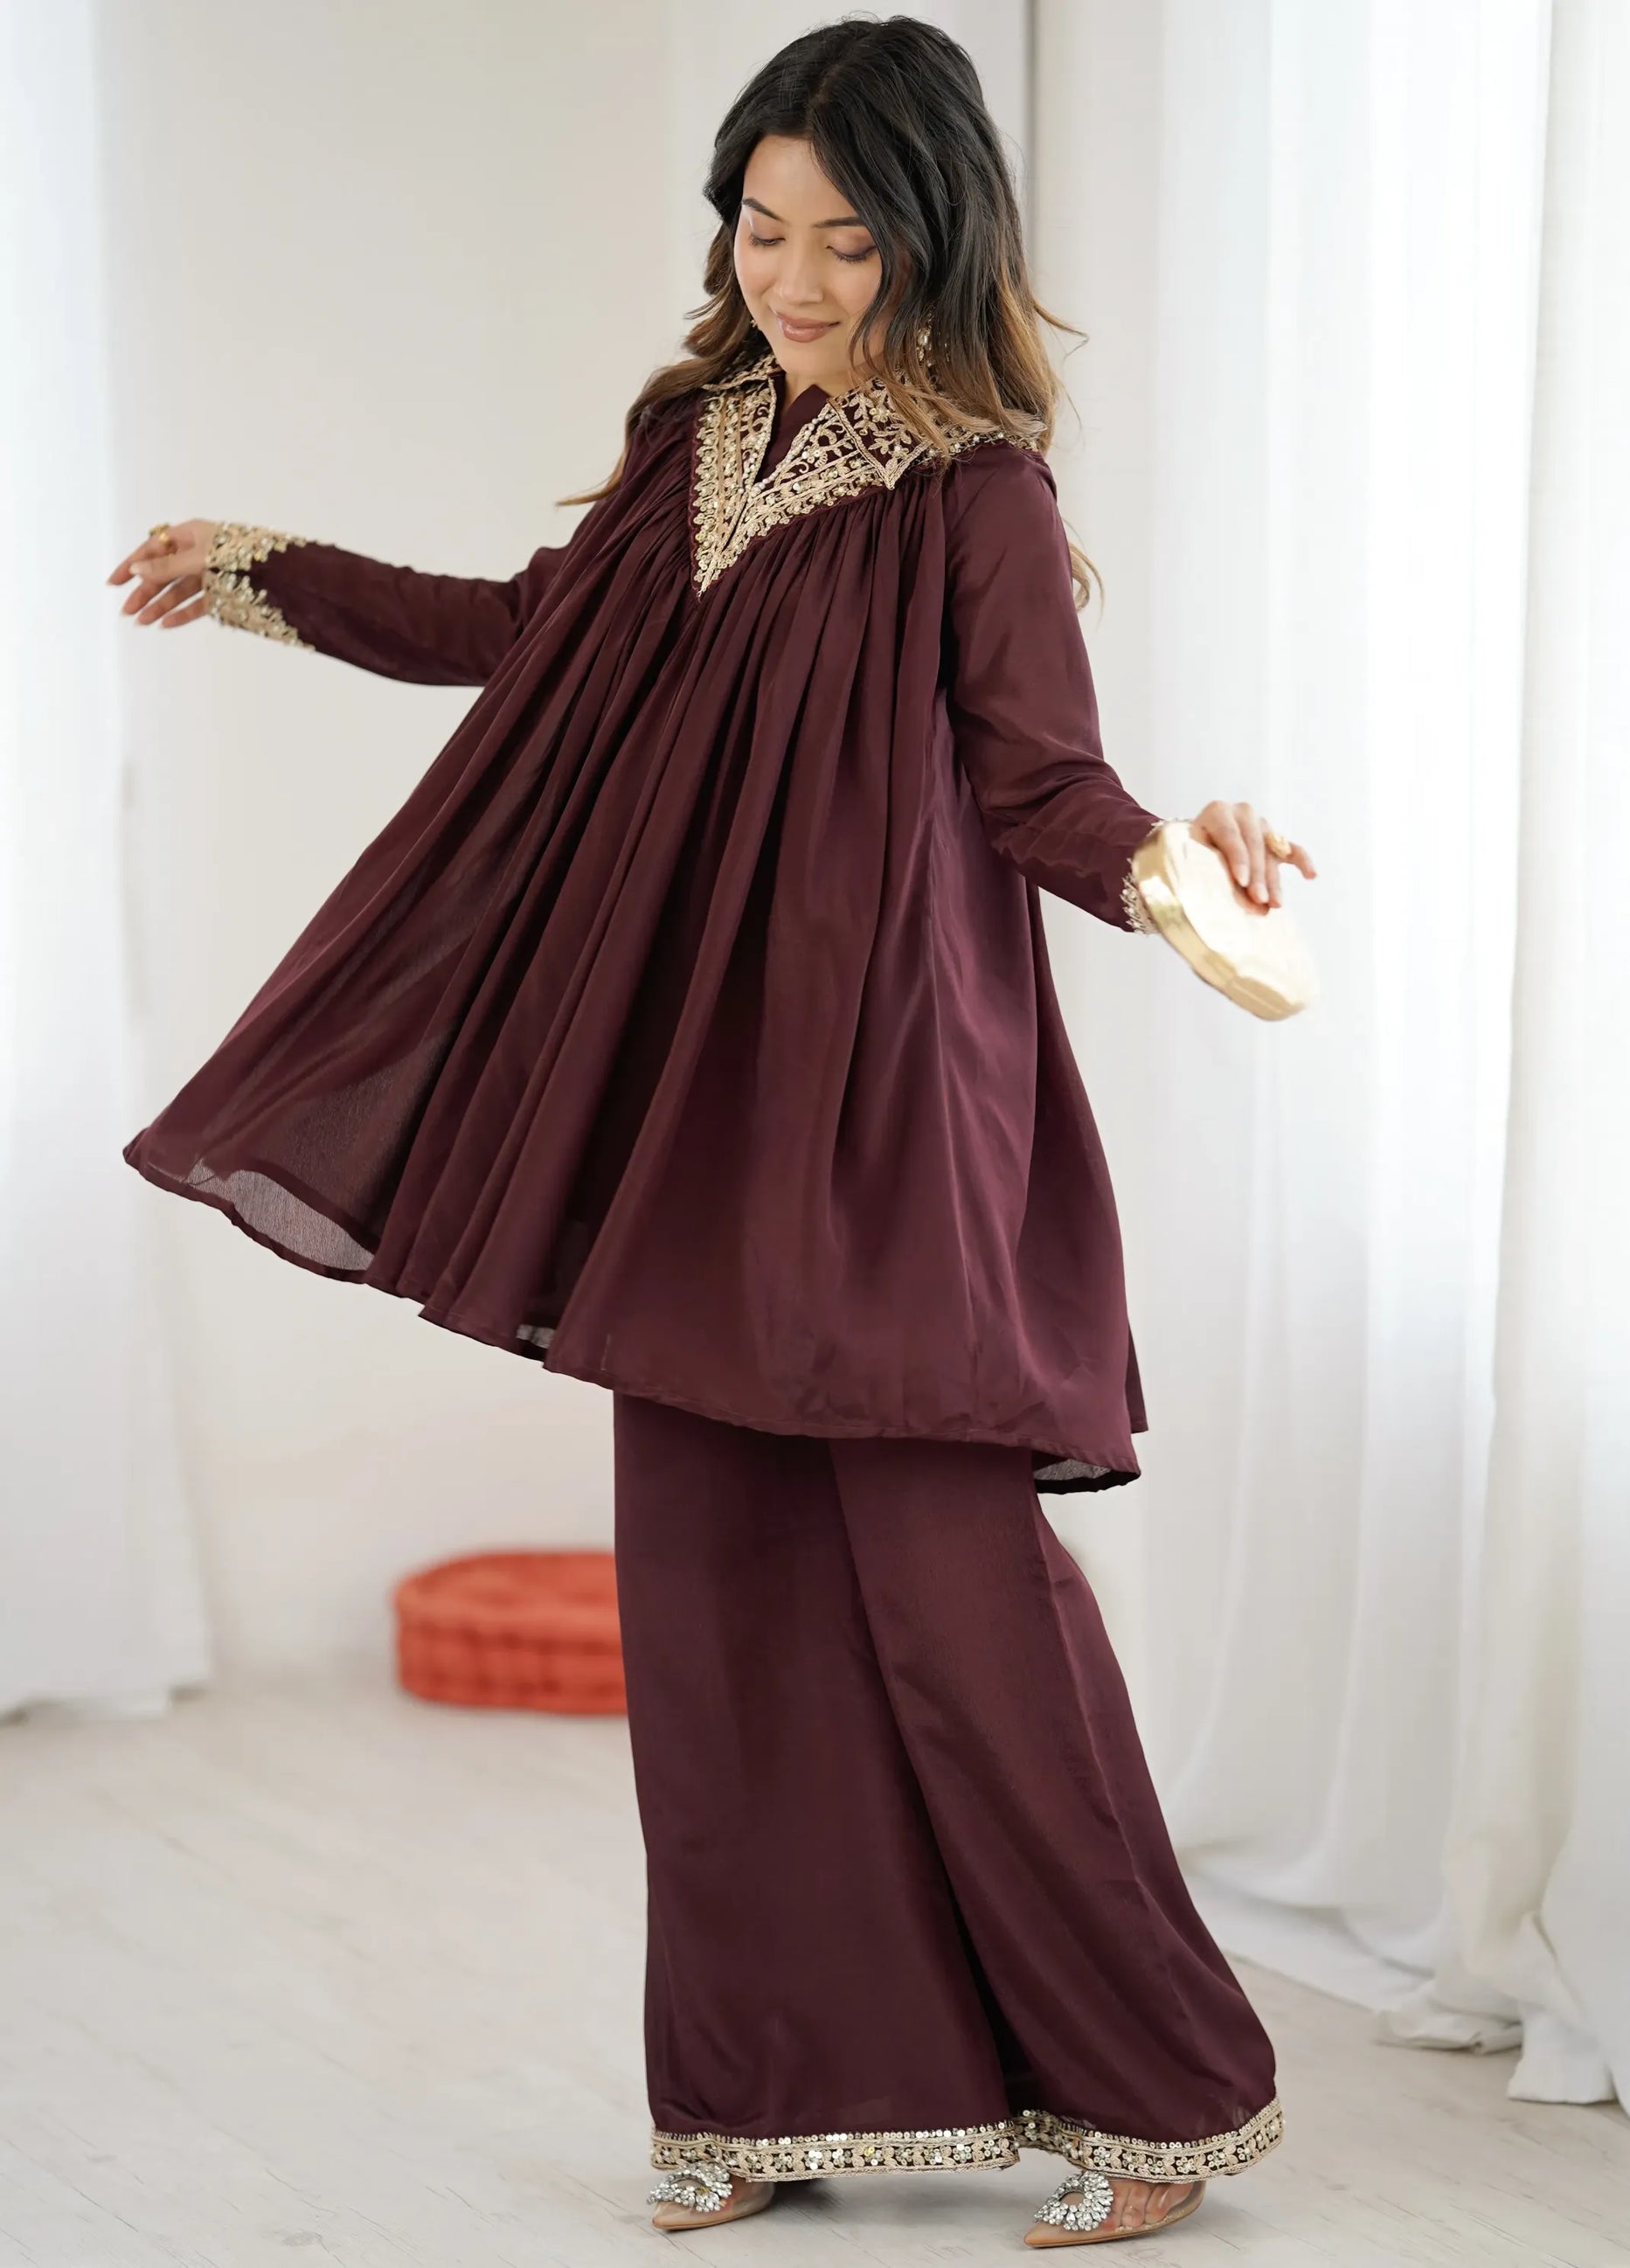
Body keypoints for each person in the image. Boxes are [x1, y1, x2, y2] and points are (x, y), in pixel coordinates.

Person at [110, 16, 1314, 2249]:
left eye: (846, 240)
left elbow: (1042, 782)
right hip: (692, 1111)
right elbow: (526, 633)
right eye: (762, 230)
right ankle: (769, 2086)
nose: (796, 277)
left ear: (931, 239)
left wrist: (1176, 863)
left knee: (964, 1613)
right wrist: (270, 569)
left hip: (891, 1116)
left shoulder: (978, 494)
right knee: (712, 1611)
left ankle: (1155, 2092)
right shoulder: (697, 435)